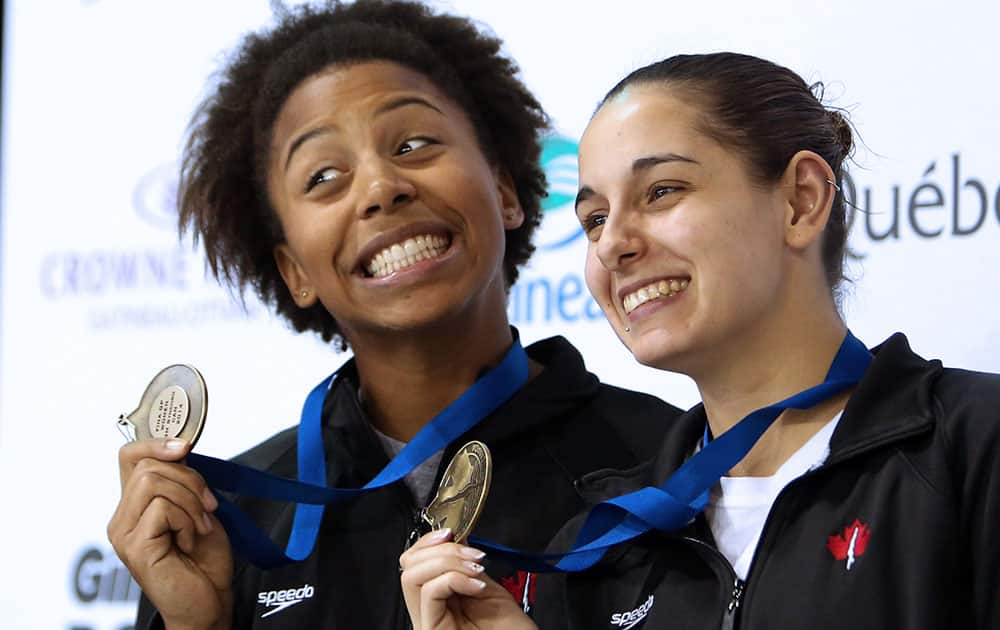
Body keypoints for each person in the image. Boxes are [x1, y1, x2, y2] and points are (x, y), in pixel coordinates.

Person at [105, 2, 682, 629]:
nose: (382, 187)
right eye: (324, 176)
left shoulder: (671, 465)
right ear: (293, 269)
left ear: (505, 189)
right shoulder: (231, 521)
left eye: (413, 143)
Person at [399, 52, 1000, 629]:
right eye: (595, 219)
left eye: (661, 191)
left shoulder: (974, 447)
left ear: (801, 200)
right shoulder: (599, 550)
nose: (612, 245)